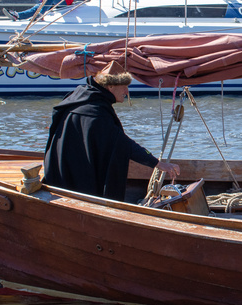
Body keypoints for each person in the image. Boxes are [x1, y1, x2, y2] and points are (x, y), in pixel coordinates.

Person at [43, 60, 181, 201]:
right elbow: (123, 144)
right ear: (110, 86)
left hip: (60, 173)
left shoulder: (79, 97)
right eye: (124, 87)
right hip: (78, 182)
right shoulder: (96, 112)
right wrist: (158, 164)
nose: (127, 92)